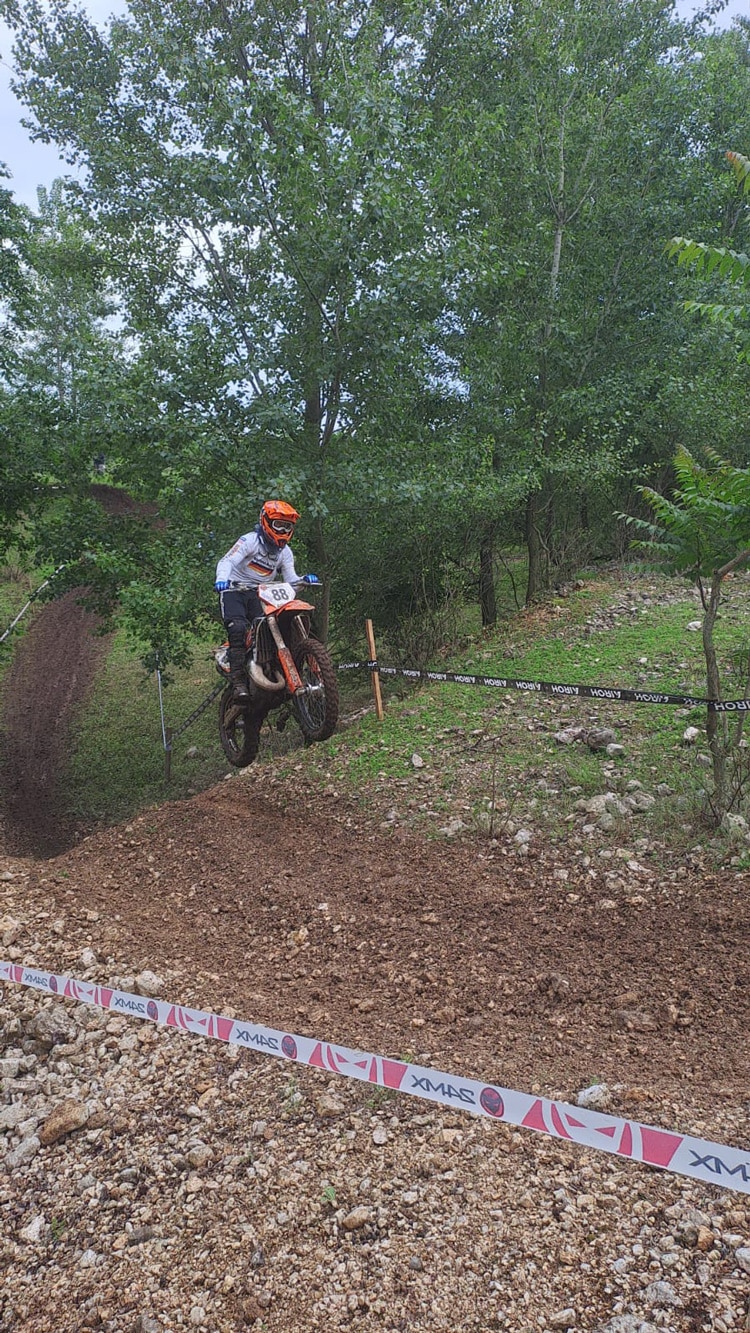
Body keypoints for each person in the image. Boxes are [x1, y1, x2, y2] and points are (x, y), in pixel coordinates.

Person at [215, 500, 310, 699]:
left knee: (269, 629)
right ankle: (238, 682)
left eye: (287, 526)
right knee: (238, 628)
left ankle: (279, 671)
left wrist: (303, 581)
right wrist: (222, 579)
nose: (283, 531)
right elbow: (227, 561)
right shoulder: (249, 541)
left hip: (260, 593)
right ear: (266, 521)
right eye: (279, 525)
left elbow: (291, 580)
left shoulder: (285, 552)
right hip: (234, 589)